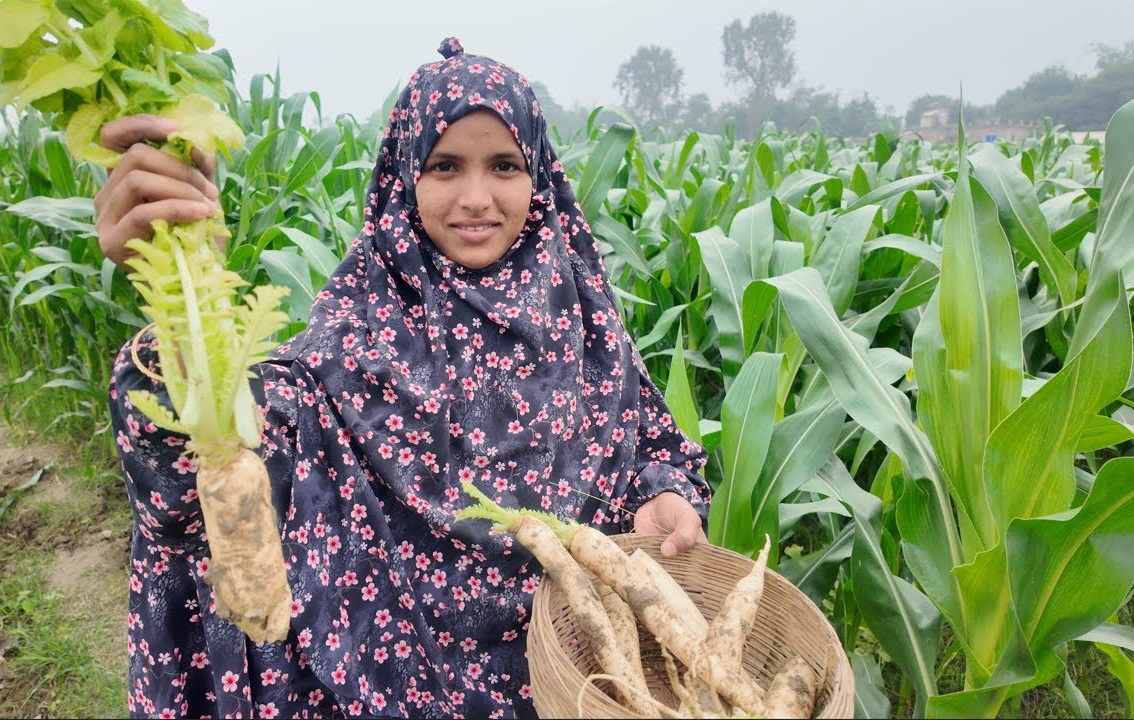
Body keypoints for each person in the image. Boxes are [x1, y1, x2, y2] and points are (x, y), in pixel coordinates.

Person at [97, 37, 710, 719]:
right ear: (403, 178)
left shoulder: (586, 327)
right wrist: (184, 296)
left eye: (504, 165)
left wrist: (666, 495)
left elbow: (655, 444)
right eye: (445, 166)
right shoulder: (351, 345)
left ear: (539, 178)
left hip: (580, 683)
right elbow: (195, 484)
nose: (476, 197)